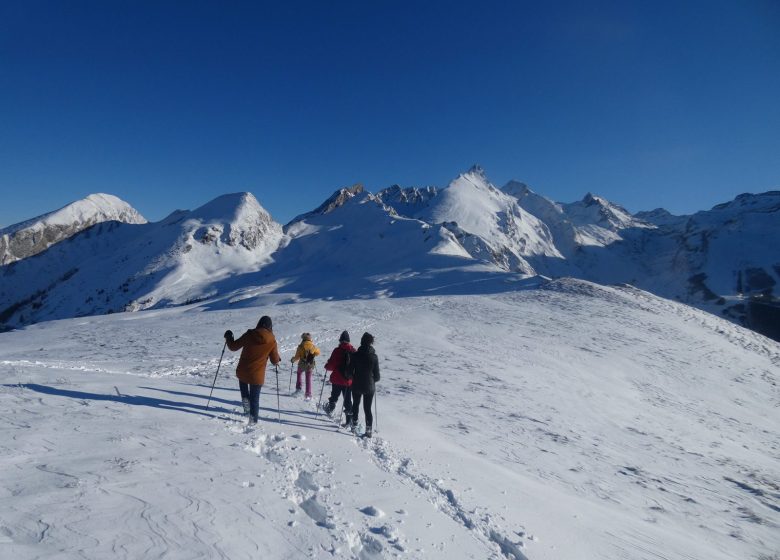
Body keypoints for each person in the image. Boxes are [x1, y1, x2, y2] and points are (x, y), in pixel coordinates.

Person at [224, 315, 281, 424]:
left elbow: (233, 347)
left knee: (245, 393)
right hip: (257, 375)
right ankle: (253, 421)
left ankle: (246, 409)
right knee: (255, 399)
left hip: (243, 370)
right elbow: (275, 360)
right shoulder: (272, 340)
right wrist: (276, 358)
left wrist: (229, 337)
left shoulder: (249, 334)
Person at [347, 332, 380, 437]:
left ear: (361, 341)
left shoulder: (355, 355)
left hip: (356, 385)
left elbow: (349, 372)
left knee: (355, 404)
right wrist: (372, 379)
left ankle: (354, 425)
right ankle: (369, 431)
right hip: (369, 387)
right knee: (367, 409)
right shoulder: (374, 357)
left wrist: (351, 377)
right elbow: (377, 376)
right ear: (371, 343)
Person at [323, 330, 356, 424]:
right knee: (347, 400)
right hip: (348, 381)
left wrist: (327, 366)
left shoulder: (337, 350)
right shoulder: (353, 351)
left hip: (337, 379)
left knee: (334, 396)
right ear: (348, 341)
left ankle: (330, 409)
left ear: (340, 340)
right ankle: (349, 421)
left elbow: (331, 365)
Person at [290, 332, 320, 400]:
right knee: (308, 378)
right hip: (310, 364)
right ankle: (308, 394)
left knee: (299, 373)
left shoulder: (300, 346)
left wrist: (293, 360)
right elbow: (318, 353)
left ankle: (298, 389)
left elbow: (297, 357)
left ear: (303, 338)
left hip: (302, 364)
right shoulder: (313, 346)